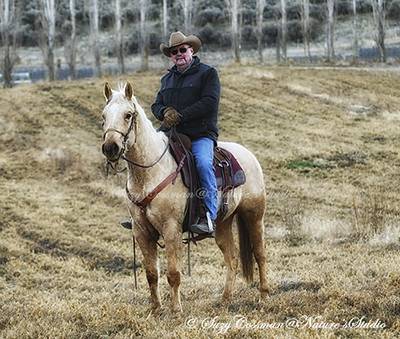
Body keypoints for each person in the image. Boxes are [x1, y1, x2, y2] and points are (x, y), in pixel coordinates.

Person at [151, 31, 220, 237]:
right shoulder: (167, 79)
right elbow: (156, 105)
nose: (178, 54)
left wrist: (179, 116)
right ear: (171, 56)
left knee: (203, 164)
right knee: (145, 155)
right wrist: (165, 112)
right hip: (172, 135)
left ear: (191, 50)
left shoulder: (208, 74)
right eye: (174, 52)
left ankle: (209, 216)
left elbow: (209, 102)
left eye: (182, 50)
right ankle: (140, 210)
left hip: (200, 135)